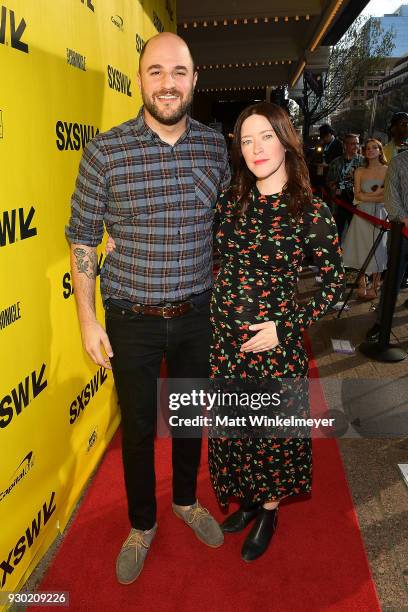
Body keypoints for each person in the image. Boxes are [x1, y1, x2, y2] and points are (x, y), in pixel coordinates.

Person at [65, 32, 230, 585]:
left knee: (187, 419)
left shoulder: (214, 148)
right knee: (136, 427)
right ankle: (141, 523)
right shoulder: (105, 152)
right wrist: (87, 318)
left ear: (194, 80)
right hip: (130, 319)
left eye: (178, 72)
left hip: (196, 315)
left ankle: (185, 500)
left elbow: (231, 231)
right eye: (155, 71)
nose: (167, 83)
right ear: (139, 80)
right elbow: (83, 237)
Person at [208, 103, 345, 561]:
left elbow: (332, 285)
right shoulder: (231, 201)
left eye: (265, 136)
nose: (255, 149)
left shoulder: (312, 211)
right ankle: (248, 501)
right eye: (245, 140)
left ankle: (268, 509)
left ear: (286, 139)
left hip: (273, 347)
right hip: (227, 345)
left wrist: (286, 328)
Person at [366, 149, 408, 341]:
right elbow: (391, 197)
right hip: (403, 234)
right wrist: (405, 219)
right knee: (392, 279)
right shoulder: (399, 161)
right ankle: (382, 323)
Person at [342, 139, 388, 300]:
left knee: (379, 250)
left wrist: (368, 196)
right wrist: (377, 194)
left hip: (381, 215)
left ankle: (375, 286)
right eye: (367, 148)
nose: (370, 150)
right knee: (361, 249)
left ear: (380, 150)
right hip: (362, 215)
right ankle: (362, 284)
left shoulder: (387, 170)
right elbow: (357, 195)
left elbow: (387, 196)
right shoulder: (360, 170)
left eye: (374, 147)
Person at [326, 133, 364, 242]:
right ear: (345, 145)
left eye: (357, 143)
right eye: (352, 143)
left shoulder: (364, 162)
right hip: (339, 201)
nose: (356, 146)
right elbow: (329, 182)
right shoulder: (336, 162)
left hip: (357, 202)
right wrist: (336, 184)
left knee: (356, 233)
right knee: (337, 231)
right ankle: (336, 254)